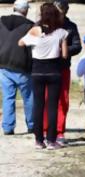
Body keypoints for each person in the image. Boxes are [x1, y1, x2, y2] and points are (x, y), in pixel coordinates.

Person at [19, 3, 68, 150]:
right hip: (54, 71)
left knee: (38, 106)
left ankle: (39, 140)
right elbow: (65, 55)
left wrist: (35, 41)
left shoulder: (35, 30)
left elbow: (20, 43)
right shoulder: (61, 32)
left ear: (42, 14)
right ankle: (51, 140)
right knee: (52, 107)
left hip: (37, 71)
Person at [43, 0, 82, 145]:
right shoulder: (46, 24)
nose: (58, 13)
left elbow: (77, 46)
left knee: (62, 101)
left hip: (63, 68)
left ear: (66, 11)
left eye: (61, 10)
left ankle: (59, 132)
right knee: (46, 99)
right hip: (46, 67)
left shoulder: (71, 27)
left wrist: (63, 51)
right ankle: (46, 130)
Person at [0, 0, 34, 135]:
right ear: (25, 10)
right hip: (22, 65)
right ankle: (32, 125)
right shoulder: (30, 25)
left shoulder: (1, 21)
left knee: (8, 97)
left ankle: (8, 128)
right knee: (29, 97)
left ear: (13, 8)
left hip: (3, 64)